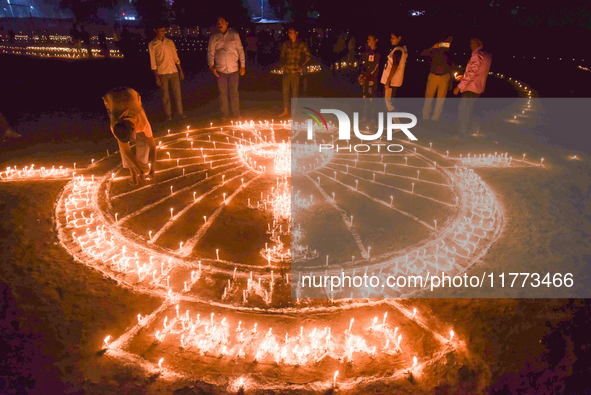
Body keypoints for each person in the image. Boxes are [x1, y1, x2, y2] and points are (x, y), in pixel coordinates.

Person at [102, 87, 156, 185]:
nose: (131, 141)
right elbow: (126, 150)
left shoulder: (143, 122)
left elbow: (152, 147)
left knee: (144, 139)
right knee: (123, 144)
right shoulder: (114, 126)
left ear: (134, 129)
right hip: (112, 99)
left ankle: (141, 164)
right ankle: (133, 172)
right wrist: (139, 170)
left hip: (131, 95)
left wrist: (152, 168)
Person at [207, 17, 246, 121]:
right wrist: (211, 66)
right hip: (220, 70)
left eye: (222, 22)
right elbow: (211, 52)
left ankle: (236, 113)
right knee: (222, 93)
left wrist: (243, 65)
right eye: (218, 22)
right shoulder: (214, 37)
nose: (220, 24)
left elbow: (240, 50)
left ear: (227, 23)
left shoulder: (234, 35)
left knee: (234, 92)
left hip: (233, 69)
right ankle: (225, 114)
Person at [453, 37, 492, 138]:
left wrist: (459, 86)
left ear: (478, 43)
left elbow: (472, 73)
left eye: (472, 43)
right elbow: (477, 72)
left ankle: (463, 133)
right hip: (478, 87)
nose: (470, 45)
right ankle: (473, 128)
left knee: (464, 110)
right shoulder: (486, 55)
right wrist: (463, 76)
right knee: (469, 109)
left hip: (471, 87)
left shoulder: (477, 55)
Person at [149, 24, 186, 121]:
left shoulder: (170, 42)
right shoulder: (152, 44)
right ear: (155, 30)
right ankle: (168, 115)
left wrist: (180, 71)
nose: (163, 32)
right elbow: (153, 61)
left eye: (164, 30)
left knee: (177, 93)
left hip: (173, 71)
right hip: (162, 72)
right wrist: (156, 76)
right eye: (161, 30)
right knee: (165, 95)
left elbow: (175, 57)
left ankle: (180, 112)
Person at [279, 27, 311, 117]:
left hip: (295, 71)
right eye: (289, 32)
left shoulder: (301, 45)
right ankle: (285, 110)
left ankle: (294, 111)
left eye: (292, 32)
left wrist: (301, 66)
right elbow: (282, 56)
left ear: (296, 33)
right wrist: (282, 65)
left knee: (294, 92)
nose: (290, 34)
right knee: (285, 91)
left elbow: (308, 56)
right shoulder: (286, 44)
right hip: (286, 71)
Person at [421, 36, 454, 121]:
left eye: (449, 42)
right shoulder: (436, 48)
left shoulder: (450, 51)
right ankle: (425, 116)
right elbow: (423, 53)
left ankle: (435, 118)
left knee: (441, 99)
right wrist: (433, 47)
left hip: (445, 77)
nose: (447, 44)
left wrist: (450, 80)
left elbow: (452, 65)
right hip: (433, 75)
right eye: (446, 41)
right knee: (429, 97)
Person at [380, 33, 407, 111]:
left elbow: (394, 66)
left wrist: (388, 82)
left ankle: (396, 122)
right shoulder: (402, 49)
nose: (391, 40)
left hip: (392, 82)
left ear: (399, 38)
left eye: (393, 38)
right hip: (393, 82)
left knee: (389, 104)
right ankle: (391, 121)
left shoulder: (398, 51)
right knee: (389, 103)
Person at [358, 34, 381, 121]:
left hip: (373, 80)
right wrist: (361, 75)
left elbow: (376, 67)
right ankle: (365, 116)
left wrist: (368, 76)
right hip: (366, 80)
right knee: (365, 98)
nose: (368, 41)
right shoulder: (367, 52)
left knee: (372, 99)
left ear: (376, 40)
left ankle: (373, 118)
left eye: (370, 39)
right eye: (368, 39)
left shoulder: (378, 53)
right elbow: (365, 65)